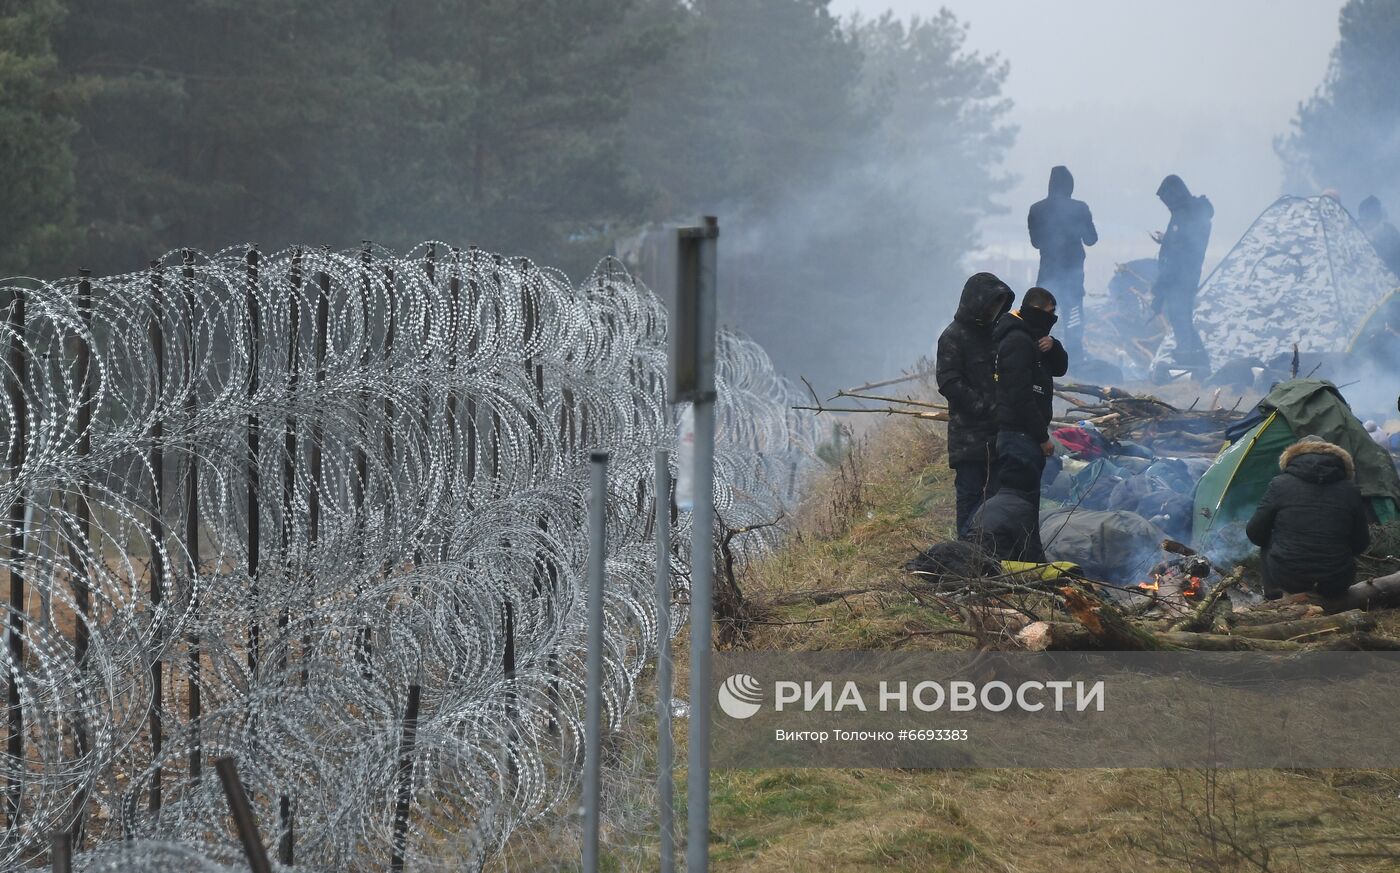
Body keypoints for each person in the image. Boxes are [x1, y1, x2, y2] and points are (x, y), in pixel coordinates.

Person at [937, 272, 1015, 535]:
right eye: (992, 303)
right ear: (977, 302)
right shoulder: (953, 336)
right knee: (969, 496)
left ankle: (989, 550)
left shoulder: (999, 335)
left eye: (999, 304)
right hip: (968, 436)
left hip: (999, 435)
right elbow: (948, 381)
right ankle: (965, 551)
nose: (995, 310)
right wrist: (983, 407)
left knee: (995, 499)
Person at [1245, 436, 1370, 600]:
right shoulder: (1351, 490)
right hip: (1335, 582)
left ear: (1294, 457)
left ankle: (1274, 596)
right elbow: (1361, 543)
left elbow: (1255, 533)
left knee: (1267, 539)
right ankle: (1330, 598)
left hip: (1289, 579)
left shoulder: (1280, 484)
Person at [992, 286, 1068, 495]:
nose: (1052, 319)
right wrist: (1042, 437)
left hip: (1026, 434)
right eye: (1050, 313)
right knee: (1019, 496)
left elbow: (1060, 369)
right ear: (1036, 310)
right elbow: (1020, 396)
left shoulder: (1034, 337)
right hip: (1018, 435)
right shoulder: (1017, 340)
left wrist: (1054, 346)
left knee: (1027, 496)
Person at [1028, 165, 1097, 362]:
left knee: (1040, 317)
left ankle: (1038, 358)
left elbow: (1036, 243)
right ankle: (1074, 359)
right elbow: (1091, 239)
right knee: (1073, 315)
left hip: (1048, 274)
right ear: (1070, 185)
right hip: (1072, 275)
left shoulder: (1037, 209)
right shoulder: (1080, 208)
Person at [1151, 174, 1214, 370]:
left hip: (1180, 277)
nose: (1166, 204)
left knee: (1180, 318)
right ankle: (1199, 361)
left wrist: (1160, 286)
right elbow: (1182, 244)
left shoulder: (1186, 214)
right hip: (1185, 275)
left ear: (1174, 194)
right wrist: (1167, 240)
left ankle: (1189, 362)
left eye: (1166, 199)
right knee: (1182, 317)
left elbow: (1178, 254)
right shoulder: (1192, 212)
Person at [961, 457, 1046, 563]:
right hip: (997, 567)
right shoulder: (1023, 509)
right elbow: (1033, 555)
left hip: (974, 563)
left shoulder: (987, 503)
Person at [1358, 195, 1400, 279]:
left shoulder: (1393, 239)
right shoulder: (1360, 237)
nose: (1363, 224)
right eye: (1361, 220)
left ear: (1378, 219)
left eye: (1366, 220)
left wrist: (1372, 243)